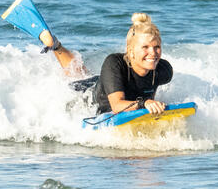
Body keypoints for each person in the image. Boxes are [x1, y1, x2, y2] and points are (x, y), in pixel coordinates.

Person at [41, 13, 171, 116]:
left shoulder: (163, 70)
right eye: (145, 47)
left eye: (157, 47)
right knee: (78, 76)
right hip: (89, 95)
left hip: (111, 82)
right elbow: (117, 106)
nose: (153, 53)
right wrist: (145, 103)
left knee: (84, 73)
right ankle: (56, 46)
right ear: (131, 51)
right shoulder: (114, 63)